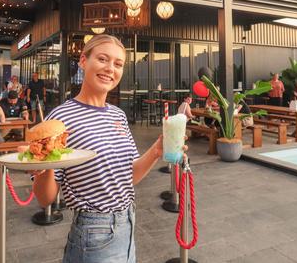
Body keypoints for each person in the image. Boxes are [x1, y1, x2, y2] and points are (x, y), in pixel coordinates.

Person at [32, 34, 185, 263]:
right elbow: (46, 199)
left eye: (118, 63)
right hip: (93, 233)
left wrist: (156, 150)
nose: (110, 69)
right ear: (83, 61)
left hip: (128, 223)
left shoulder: (118, 115)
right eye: (102, 59)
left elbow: (128, 176)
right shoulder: (61, 119)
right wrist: (44, 165)